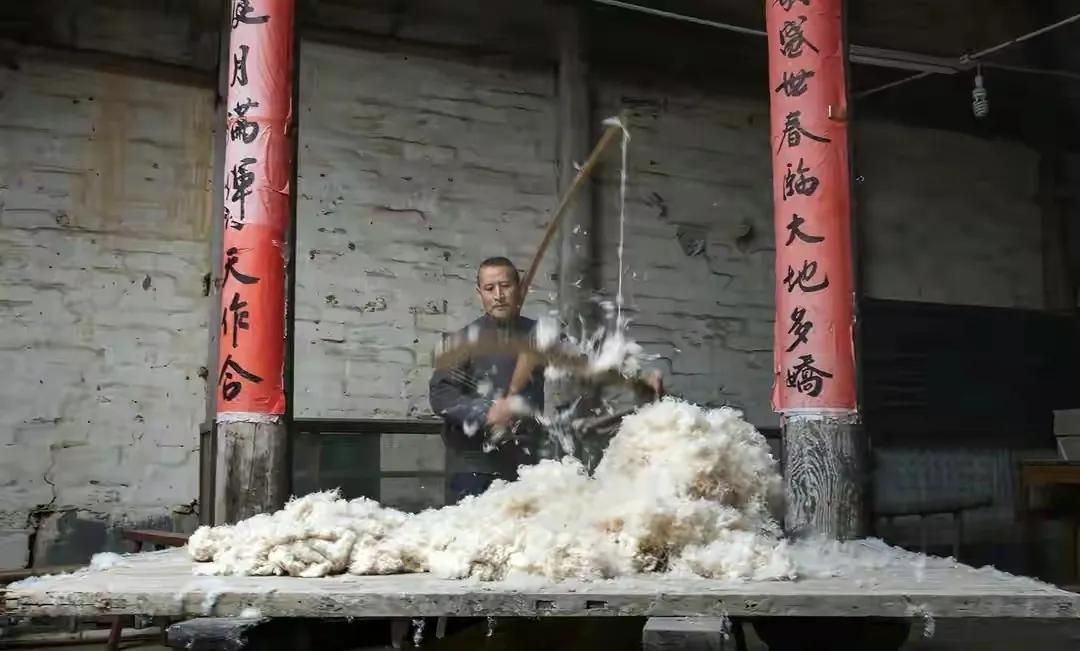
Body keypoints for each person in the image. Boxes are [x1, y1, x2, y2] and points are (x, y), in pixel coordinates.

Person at [429, 256, 546, 503]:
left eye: (505, 286)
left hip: (527, 465)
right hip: (475, 466)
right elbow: (441, 394)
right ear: (479, 293)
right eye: (490, 288)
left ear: (521, 288)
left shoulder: (539, 336)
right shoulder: (463, 341)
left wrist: (638, 376)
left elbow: (585, 361)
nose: (498, 295)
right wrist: (486, 412)